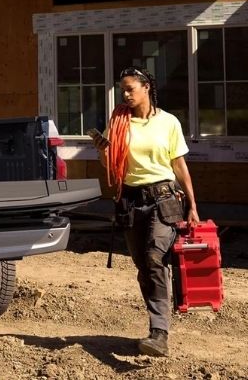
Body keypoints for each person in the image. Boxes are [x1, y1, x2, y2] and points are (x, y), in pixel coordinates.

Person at [91, 67, 199, 358]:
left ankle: (159, 333)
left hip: (163, 200)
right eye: (122, 90)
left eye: (130, 89)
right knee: (143, 266)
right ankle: (157, 324)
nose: (125, 95)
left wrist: (193, 205)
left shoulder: (168, 122)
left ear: (146, 87)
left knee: (155, 257)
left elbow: (179, 165)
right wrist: (103, 150)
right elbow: (110, 165)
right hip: (129, 201)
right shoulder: (119, 123)